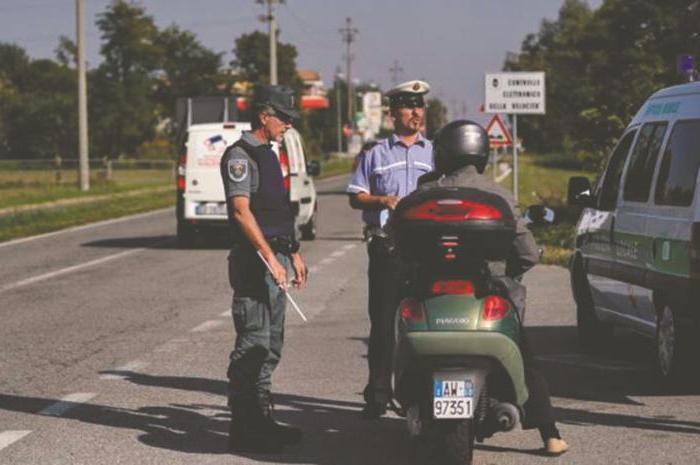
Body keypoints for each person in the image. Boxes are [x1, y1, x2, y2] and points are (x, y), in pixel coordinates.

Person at [416, 119, 569, 456]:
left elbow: (405, 248)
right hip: (490, 292)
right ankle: (549, 433)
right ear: (480, 153)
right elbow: (527, 253)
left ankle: (385, 395)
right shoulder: (498, 194)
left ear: (443, 152)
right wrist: (504, 275)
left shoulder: (426, 192)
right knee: (525, 359)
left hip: (432, 295)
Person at [220, 85, 308, 453]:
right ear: (264, 116)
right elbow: (242, 211)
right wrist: (271, 258)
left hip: (277, 260)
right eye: (284, 117)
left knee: (271, 345)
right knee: (252, 345)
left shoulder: (271, 154)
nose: (288, 124)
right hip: (255, 264)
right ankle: (243, 429)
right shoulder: (240, 156)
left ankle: (262, 420)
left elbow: (277, 210)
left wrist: (294, 252)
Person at [346, 80, 434, 419]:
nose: (416, 113)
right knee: (383, 323)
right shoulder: (376, 153)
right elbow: (356, 195)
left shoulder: (434, 152)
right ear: (393, 113)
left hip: (427, 249)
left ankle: (422, 391)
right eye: (409, 107)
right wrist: (382, 199)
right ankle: (378, 395)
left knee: (429, 320)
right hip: (388, 247)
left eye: (420, 106)